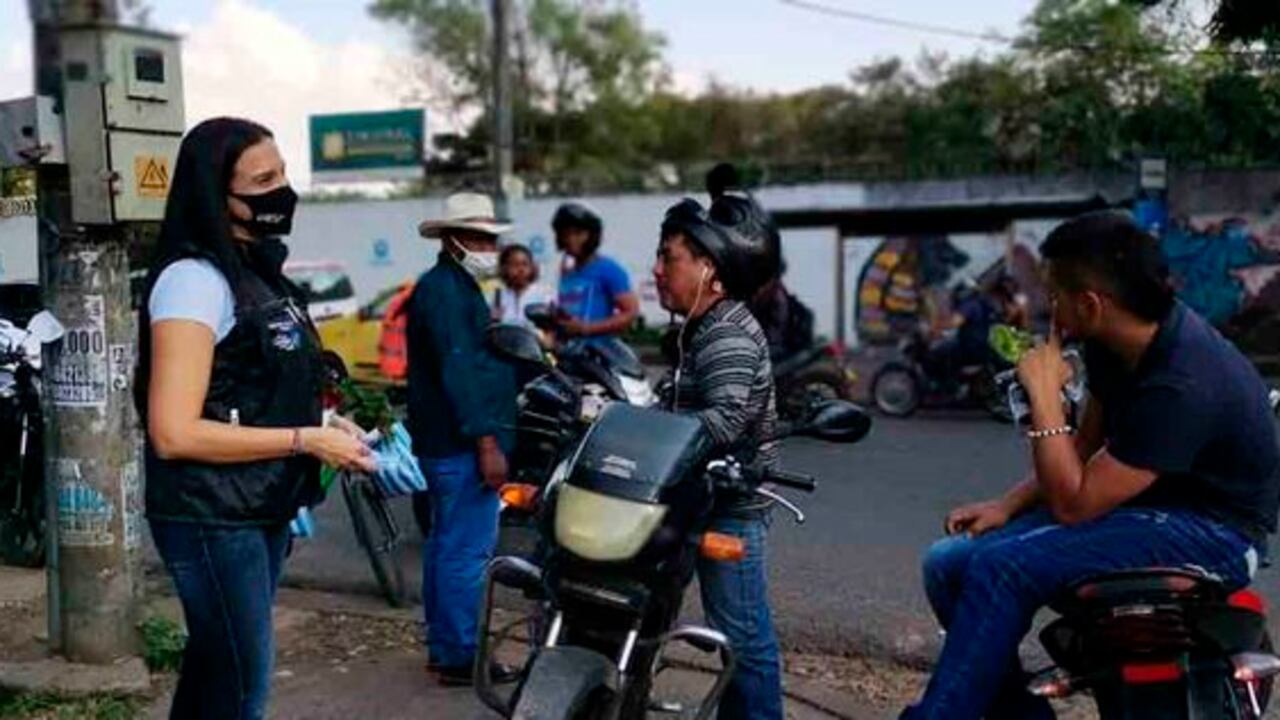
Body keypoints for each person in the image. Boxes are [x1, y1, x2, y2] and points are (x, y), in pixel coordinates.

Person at [902, 210, 1280, 720]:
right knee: (947, 563)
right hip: (1148, 504)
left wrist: (1043, 398)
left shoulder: (1182, 383)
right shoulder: (1112, 345)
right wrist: (1006, 505)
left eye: (1054, 293)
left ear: (1090, 304)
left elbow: (1075, 505)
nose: (1048, 305)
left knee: (1003, 566)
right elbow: (1082, 449)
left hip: (1217, 534)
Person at [138, 117, 377, 720]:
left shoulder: (257, 274)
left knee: (215, 674)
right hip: (212, 517)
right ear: (217, 197)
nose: (282, 191)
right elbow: (173, 430)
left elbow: (249, 385)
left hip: (252, 507)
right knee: (241, 691)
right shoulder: (194, 282)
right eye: (263, 180)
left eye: (283, 174)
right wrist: (304, 440)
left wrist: (325, 420)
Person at [653, 170, 784, 720]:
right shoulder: (703, 327)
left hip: (728, 508)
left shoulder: (725, 331)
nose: (657, 271)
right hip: (699, 499)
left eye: (669, 259)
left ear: (710, 271)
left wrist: (658, 445)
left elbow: (725, 417)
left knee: (743, 638)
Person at [407, 191, 520, 686]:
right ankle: (459, 654)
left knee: (445, 544)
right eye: (479, 237)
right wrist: (487, 442)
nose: (488, 247)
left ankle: (445, 645)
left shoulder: (447, 286)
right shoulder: (448, 293)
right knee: (466, 551)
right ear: (453, 239)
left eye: (491, 239)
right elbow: (460, 371)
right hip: (459, 441)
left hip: (441, 439)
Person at [552, 201, 640, 343]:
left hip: (598, 356)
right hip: (568, 354)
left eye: (578, 234)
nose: (571, 240)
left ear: (592, 235)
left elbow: (631, 313)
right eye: (565, 234)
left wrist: (586, 328)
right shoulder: (567, 272)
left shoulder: (609, 269)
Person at [493, 243, 554, 328]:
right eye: (515, 265)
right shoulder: (497, 298)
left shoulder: (545, 294)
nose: (521, 270)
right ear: (504, 268)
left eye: (525, 264)